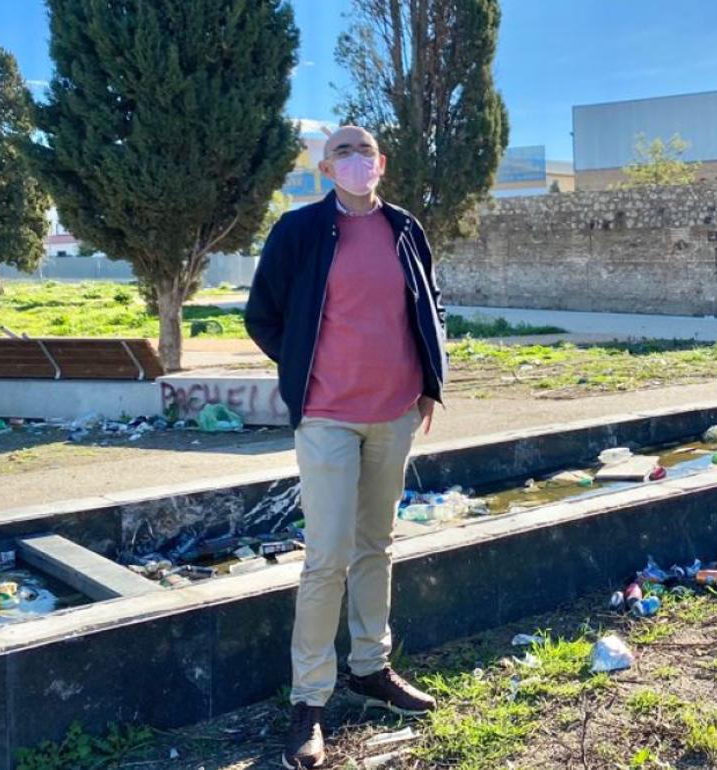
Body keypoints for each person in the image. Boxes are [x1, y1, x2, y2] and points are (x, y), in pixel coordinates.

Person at [245, 125, 448, 769]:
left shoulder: (405, 228)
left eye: (366, 152)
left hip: (394, 413)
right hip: (328, 416)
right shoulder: (298, 231)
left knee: (376, 546)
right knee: (326, 556)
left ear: (381, 164)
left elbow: (428, 304)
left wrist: (428, 384)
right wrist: (307, 366)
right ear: (326, 167)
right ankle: (309, 702)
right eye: (344, 153)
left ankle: (370, 667)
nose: (357, 161)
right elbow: (263, 315)